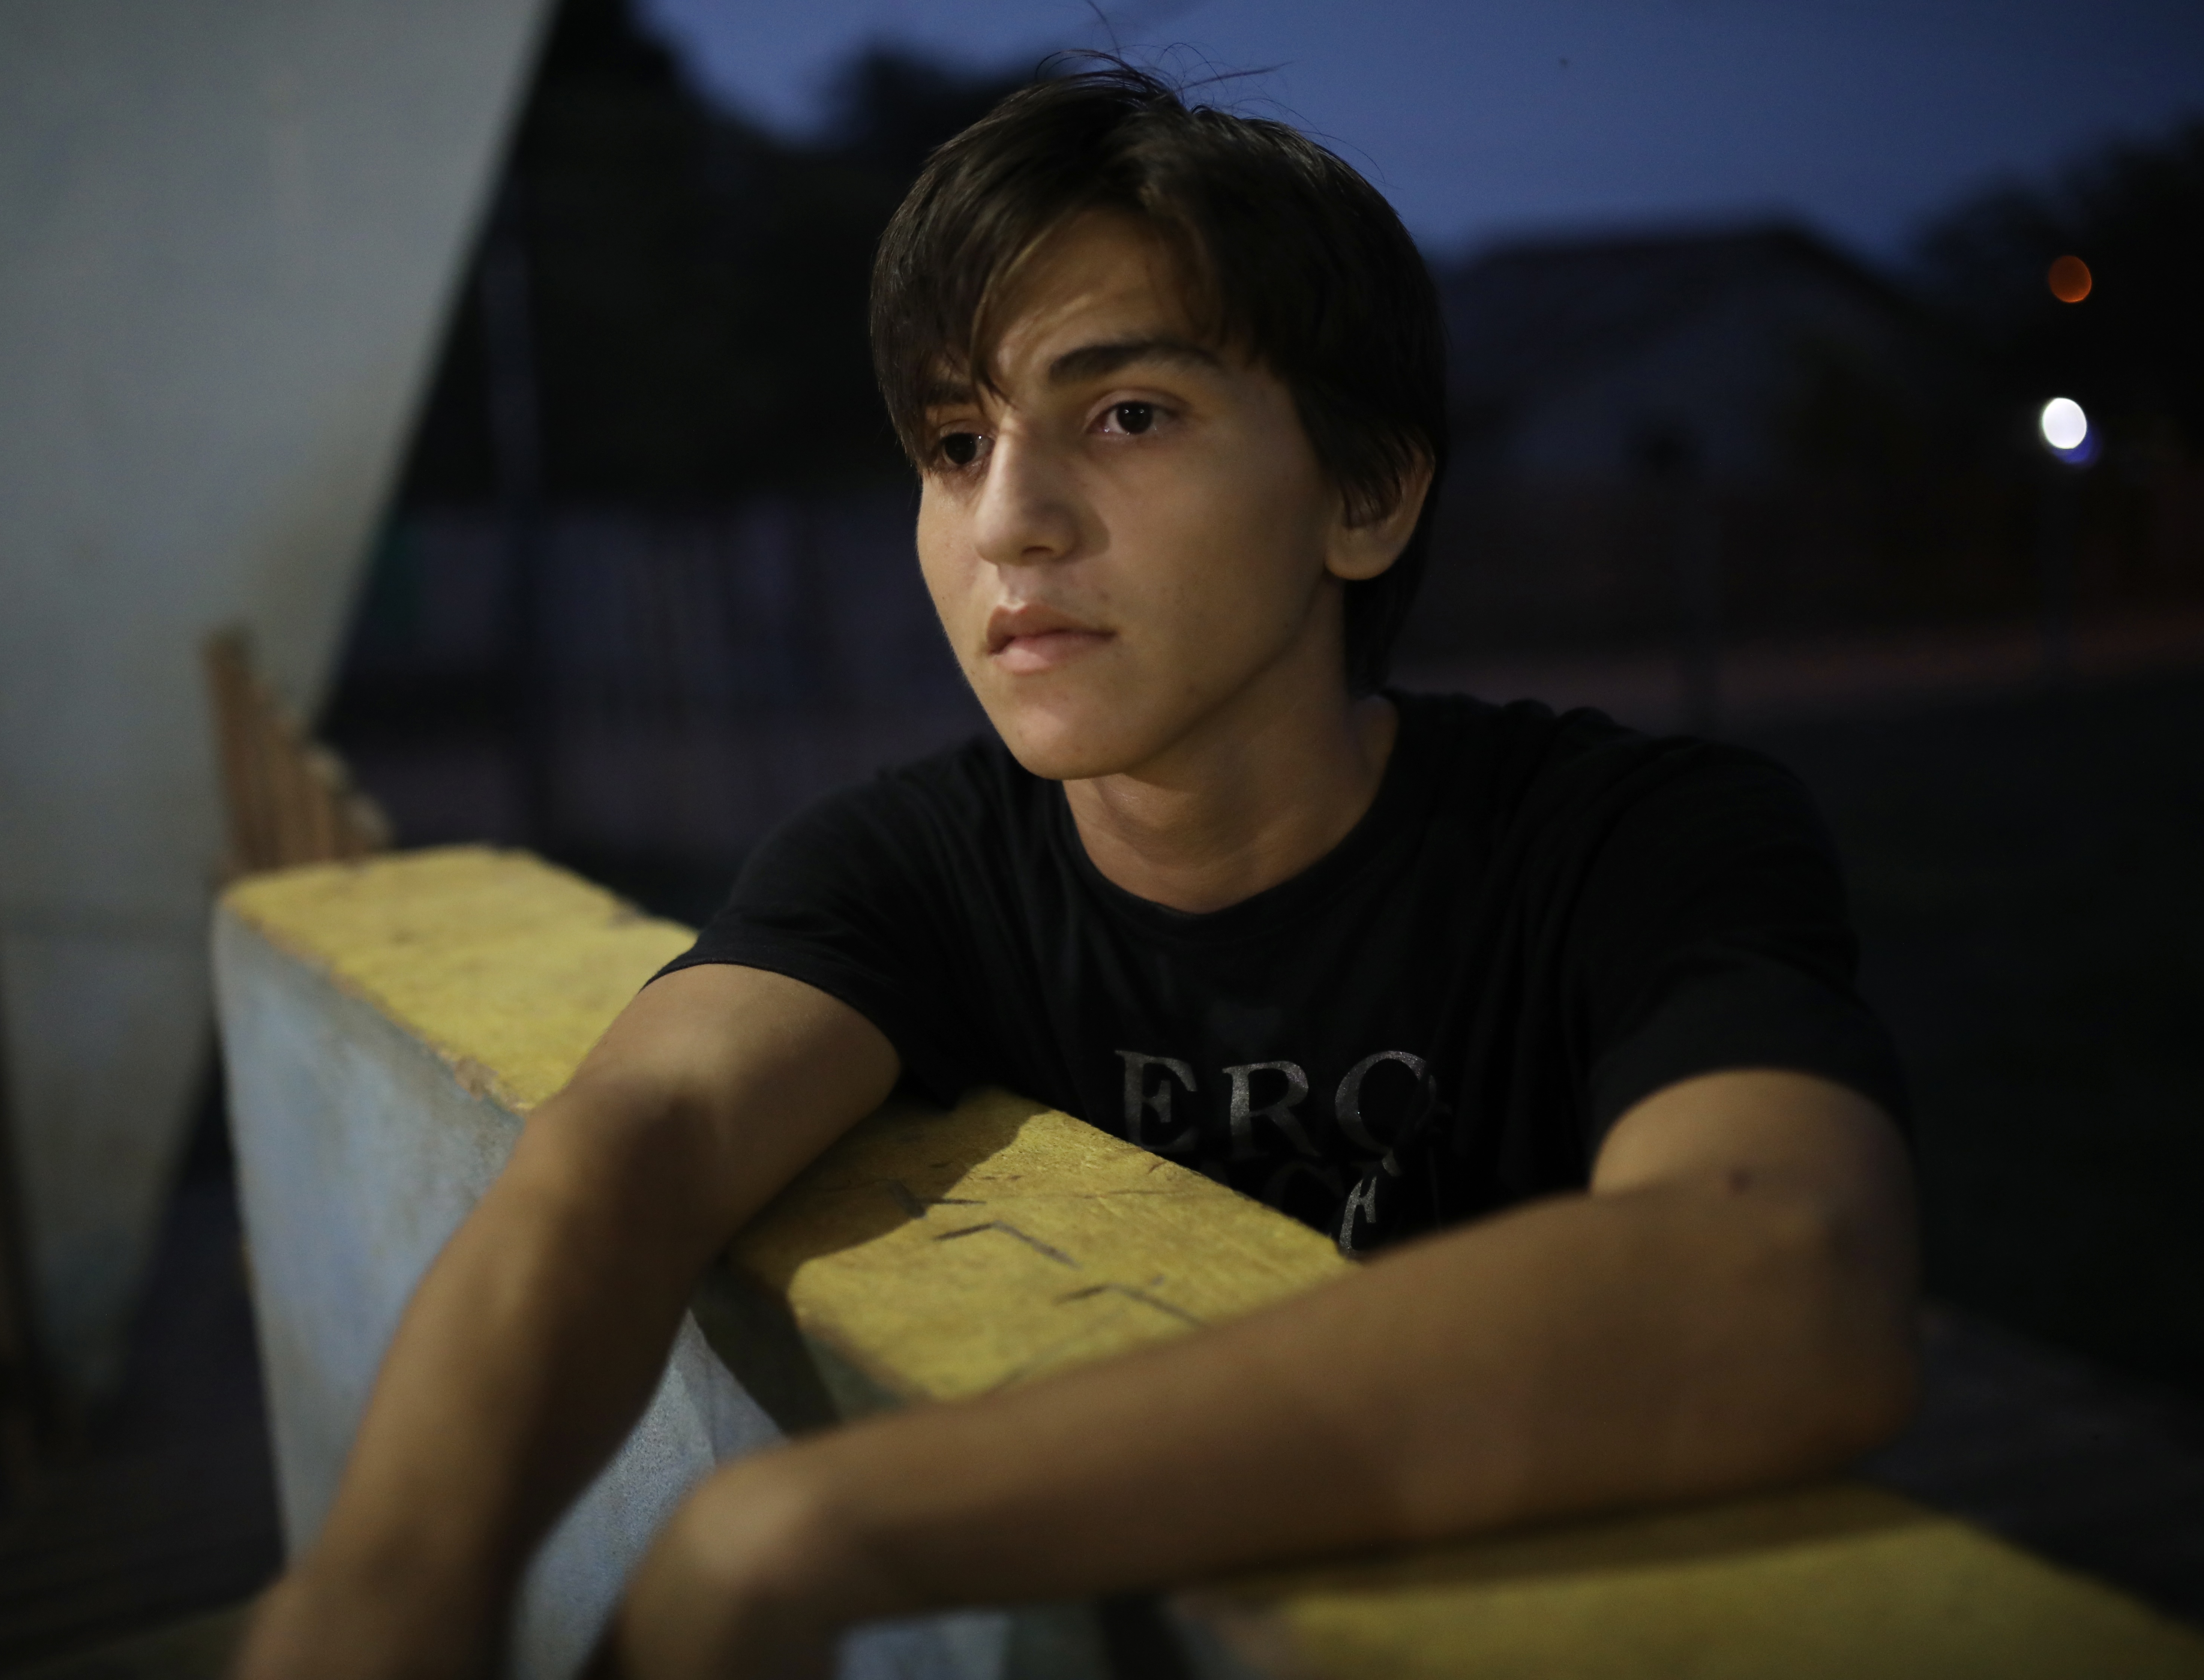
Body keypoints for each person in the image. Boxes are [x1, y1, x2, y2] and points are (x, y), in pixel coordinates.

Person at [235, 64, 1917, 1680]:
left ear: (1368, 492)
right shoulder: (912, 865)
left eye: (1127, 415)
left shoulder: (1631, 842)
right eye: (955, 443)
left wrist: (821, 1522)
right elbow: (635, 1146)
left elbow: (1786, 1276)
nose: (1009, 521)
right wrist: (385, 1589)